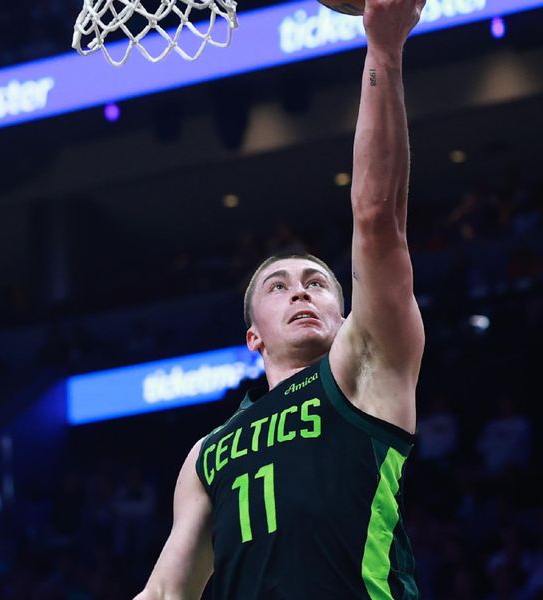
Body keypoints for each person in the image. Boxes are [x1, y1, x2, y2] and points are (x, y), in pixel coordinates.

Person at [133, 0, 427, 597]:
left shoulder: (362, 373)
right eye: (279, 285)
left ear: (345, 318)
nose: (300, 289)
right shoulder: (208, 455)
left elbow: (377, 220)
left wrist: (383, 49)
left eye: (318, 283)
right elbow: (165, 593)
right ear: (254, 336)